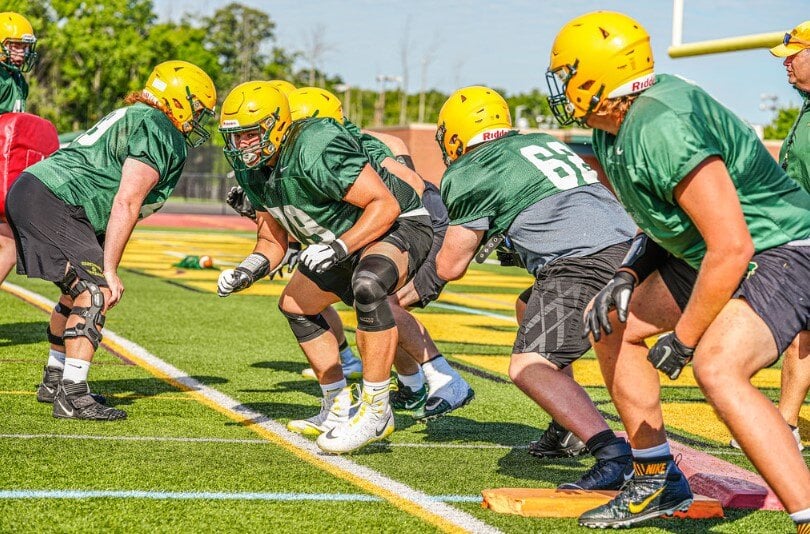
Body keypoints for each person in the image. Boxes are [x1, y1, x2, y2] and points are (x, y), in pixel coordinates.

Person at [547, 11, 810, 530]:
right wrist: (626, 274)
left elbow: (732, 245)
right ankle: (656, 478)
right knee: (613, 321)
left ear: (598, 75)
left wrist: (685, 339)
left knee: (717, 366)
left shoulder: (662, 123)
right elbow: (664, 221)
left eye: (568, 73)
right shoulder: (614, 125)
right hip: (718, 251)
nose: (562, 85)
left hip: (784, 247)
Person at [433, 85, 637, 489]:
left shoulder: (471, 168)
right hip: (630, 250)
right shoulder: (539, 142)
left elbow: (450, 265)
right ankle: (567, 426)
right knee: (528, 306)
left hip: (583, 260)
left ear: (455, 135)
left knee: (528, 366)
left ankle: (612, 455)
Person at [216, 82, 433, 454]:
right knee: (296, 306)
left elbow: (384, 205)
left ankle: (377, 409)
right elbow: (271, 242)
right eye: (235, 137)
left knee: (368, 285)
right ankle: (336, 406)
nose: (243, 146)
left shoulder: (315, 145)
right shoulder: (250, 168)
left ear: (278, 125)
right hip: (347, 235)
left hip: (400, 222)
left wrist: (340, 246)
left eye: (251, 134)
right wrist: (246, 270)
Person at [5, 60, 217, 421]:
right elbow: (127, 199)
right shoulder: (158, 125)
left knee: (75, 291)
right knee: (96, 291)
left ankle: (55, 380)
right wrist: (110, 268)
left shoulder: (135, 114)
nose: (197, 120)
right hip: (57, 198)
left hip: (36, 189)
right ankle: (72, 395)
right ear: (178, 100)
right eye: (197, 109)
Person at [287, 86, 473, 420]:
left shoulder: (359, 143)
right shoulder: (317, 152)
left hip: (423, 223)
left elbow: (409, 188)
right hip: (394, 223)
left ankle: (441, 378)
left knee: (381, 301)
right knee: (376, 304)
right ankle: (413, 384)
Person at [761, 21, 810, 452]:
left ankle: (786, 424)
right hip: (800, 241)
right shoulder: (806, 108)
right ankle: (786, 423)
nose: (786, 64)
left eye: (793, 55)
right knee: (802, 330)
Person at [0, 12, 39, 286]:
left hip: (4, 169)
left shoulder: (18, 81)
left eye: (26, 46)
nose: (23, 52)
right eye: (16, 45)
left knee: (9, 247)